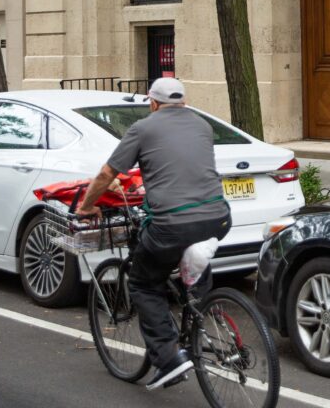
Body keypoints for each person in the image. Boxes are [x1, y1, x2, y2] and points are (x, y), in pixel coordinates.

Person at [76, 77, 231, 391]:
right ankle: (199, 313)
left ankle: (168, 358)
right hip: (218, 217)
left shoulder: (143, 128)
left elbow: (108, 173)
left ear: (154, 103)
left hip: (171, 223)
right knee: (193, 259)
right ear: (184, 102)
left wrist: (86, 206)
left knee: (143, 282)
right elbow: (184, 167)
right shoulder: (203, 125)